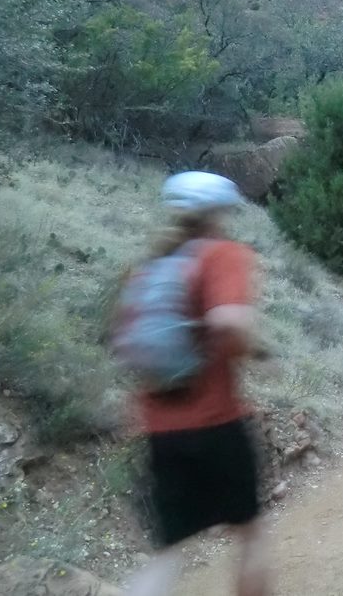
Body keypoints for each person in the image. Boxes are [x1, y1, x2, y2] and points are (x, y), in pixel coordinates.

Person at [122, 171, 270, 596]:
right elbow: (228, 324)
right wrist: (248, 353)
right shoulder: (223, 254)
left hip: (159, 429)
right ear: (220, 212)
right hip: (216, 422)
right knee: (250, 533)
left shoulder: (150, 268)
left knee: (168, 553)